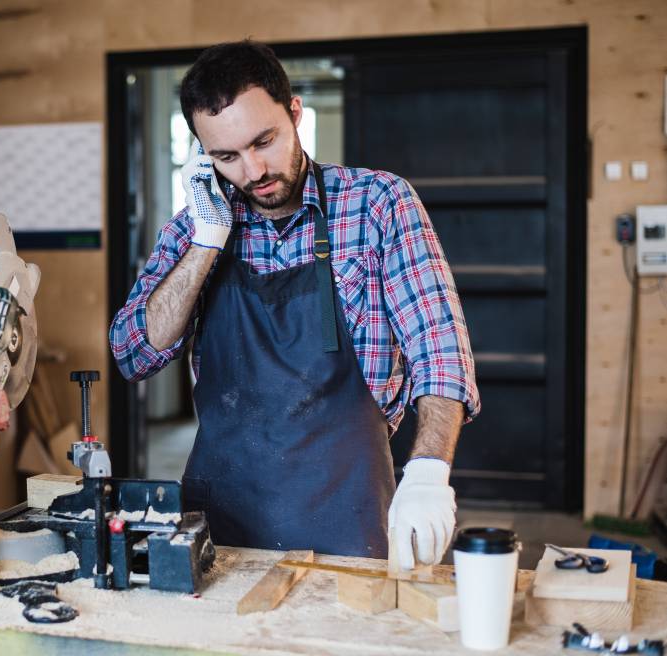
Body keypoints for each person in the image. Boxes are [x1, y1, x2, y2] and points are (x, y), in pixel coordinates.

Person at [109, 40, 480, 569]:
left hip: (346, 515)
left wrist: (427, 472)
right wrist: (207, 242)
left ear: (295, 115)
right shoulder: (196, 227)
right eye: (226, 156)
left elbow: (439, 350)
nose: (254, 170)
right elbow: (133, 353)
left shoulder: (378, 205)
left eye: (264, 141)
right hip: (220, 523)